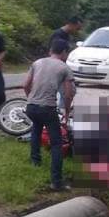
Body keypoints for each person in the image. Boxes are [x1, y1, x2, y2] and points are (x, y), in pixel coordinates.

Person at [23, 39, 76, 191]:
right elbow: (67, 95)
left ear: (50, 51)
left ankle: (35, 161)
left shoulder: (37, 63)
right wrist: (66, 112)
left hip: (31, 107)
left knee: (36, 129)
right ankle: (56, 182)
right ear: (64, 52)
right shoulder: (64, 68)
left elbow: (25, 85)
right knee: (57, 144)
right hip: (47, 108)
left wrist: (31, 100)